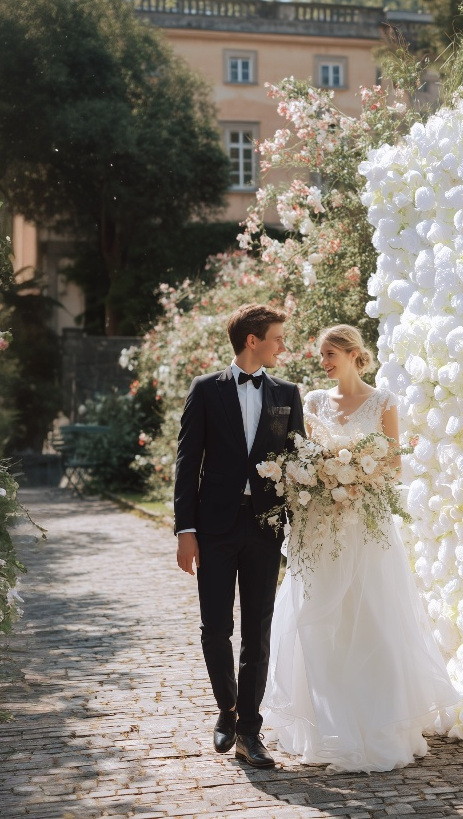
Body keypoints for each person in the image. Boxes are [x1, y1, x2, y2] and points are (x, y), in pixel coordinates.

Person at [261, 323, 458, 772]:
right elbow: (301, 458)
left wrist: (357, 479)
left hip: (366, 528)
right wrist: (324, 478)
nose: (324, 363)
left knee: (371, 619)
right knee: (320, 622)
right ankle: (327, 727)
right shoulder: (311, 402)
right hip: (321, 527)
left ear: (353, 354)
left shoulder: (384, 402)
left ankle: (378, 726)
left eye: (331, 353)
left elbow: (393, 464)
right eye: (322, 356)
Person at [174, 304, 305, 768]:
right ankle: (227, 708)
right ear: (253, 340)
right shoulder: (206, 390)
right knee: (215, 628)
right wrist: (185, 530)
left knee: (258, 632)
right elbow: (188, 464)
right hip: (213, 528)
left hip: (266, 527)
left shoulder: (287, 393)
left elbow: (298, 463)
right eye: (277, 338)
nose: (282, 346)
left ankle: (250, 731)